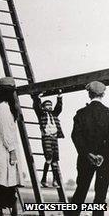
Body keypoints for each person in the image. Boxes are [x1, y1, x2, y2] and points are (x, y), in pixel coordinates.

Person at [69, 81, 109, 216]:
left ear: (89, 94)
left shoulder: (81, 113)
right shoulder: (108, 113)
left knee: (80, 192)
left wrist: (87, 154)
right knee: (101, 195)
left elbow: (75, 136)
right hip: (105, 160)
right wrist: (102, 155)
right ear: (103, 94)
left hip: (85, 159)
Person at [0, 77, 23, 216]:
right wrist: (12, 150)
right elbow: (6, 132)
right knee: (6, 185)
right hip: (4, 149)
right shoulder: (4, 107)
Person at [31, 90, 65, 188]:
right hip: (46, 137)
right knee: (49, 159)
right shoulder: (41, 114)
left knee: (55, 160)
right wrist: (37, 98)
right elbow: (36, 107)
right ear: (43, 107)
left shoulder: (54, 114)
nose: (50, 106)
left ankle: (55, 180)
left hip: (54, 138)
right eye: (47, 105)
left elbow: (59, 107)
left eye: (50, 105)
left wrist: (59, 96)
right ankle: (44, 179)